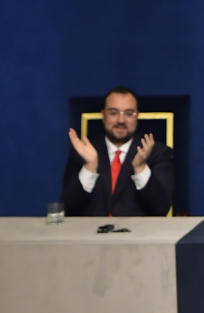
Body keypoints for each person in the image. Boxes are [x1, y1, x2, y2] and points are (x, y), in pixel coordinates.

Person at [61, 86, 174, 217]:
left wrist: (141, 168)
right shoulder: (84, 151)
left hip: (138, 235)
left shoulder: (158, 153)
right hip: (90, 235)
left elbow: (161, 209)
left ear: (137, 116)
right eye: (114, 112)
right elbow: (68, 209)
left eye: (129, 113)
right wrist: (89, 167)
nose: (121, 120)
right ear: (103, 115)